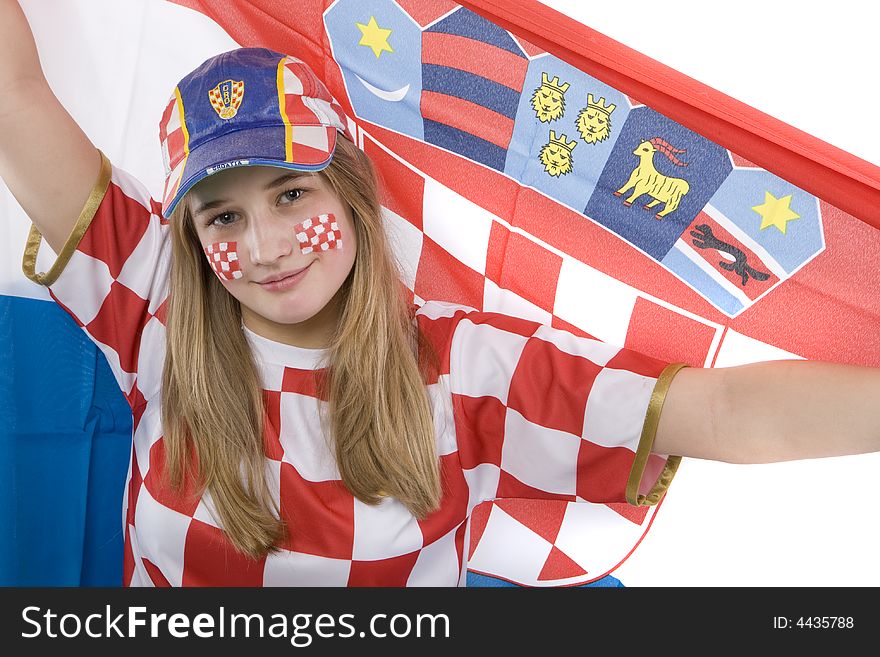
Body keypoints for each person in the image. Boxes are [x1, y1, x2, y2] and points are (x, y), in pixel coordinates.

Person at [2, 0, 879, 587]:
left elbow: (722, 413)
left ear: (348, 191)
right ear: (191, 234)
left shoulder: (467, 366)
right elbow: (14, 94)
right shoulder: (151, 298)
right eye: (222, 217)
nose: (262, 247)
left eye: (291, 194)